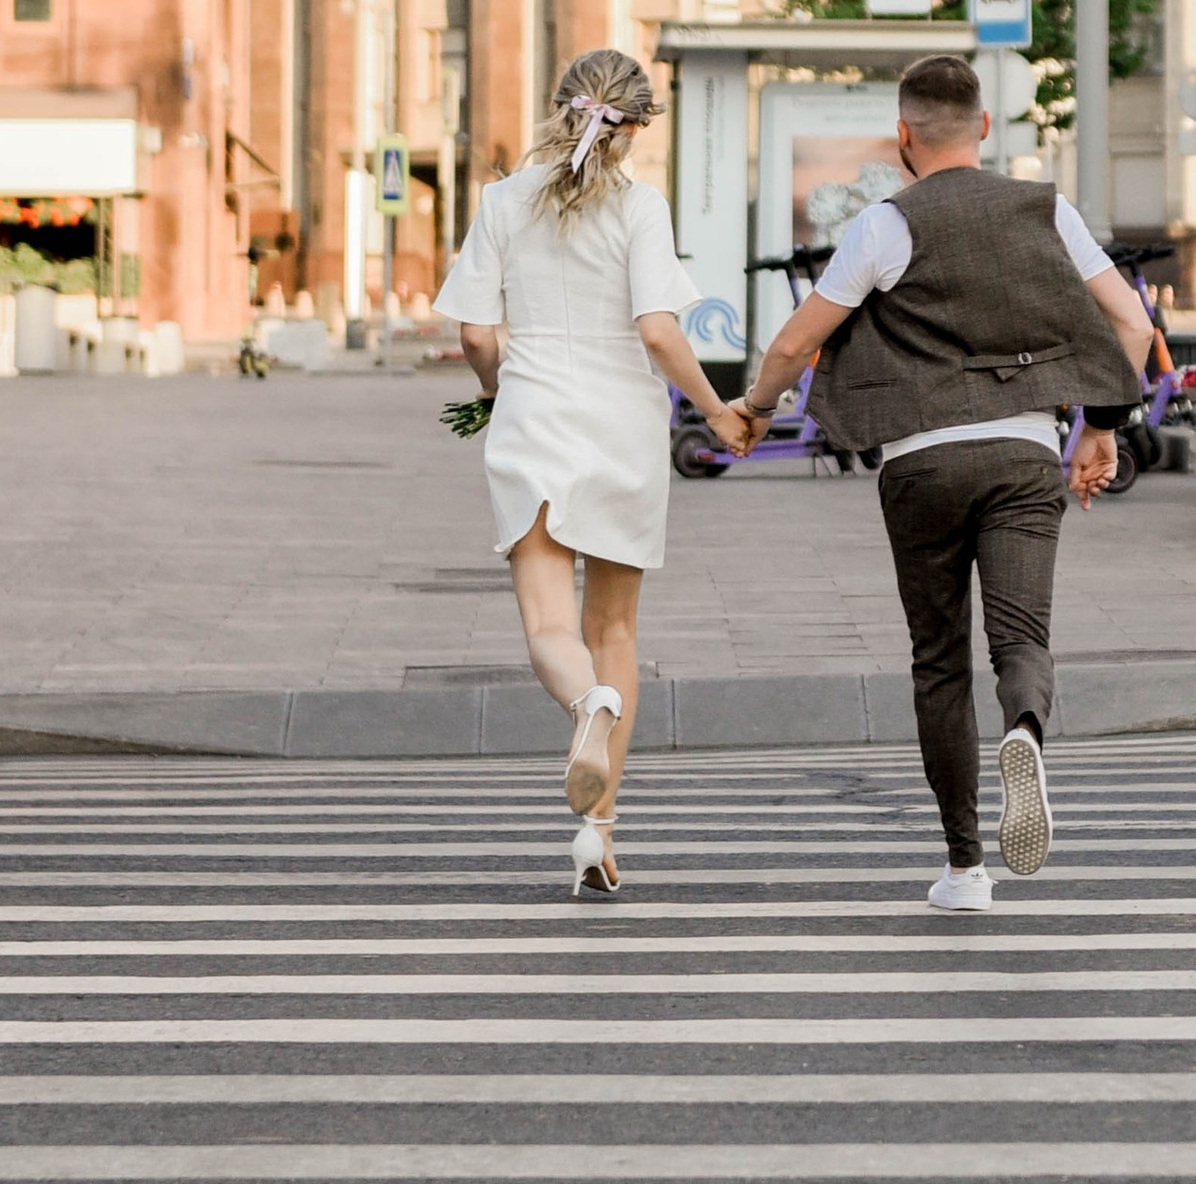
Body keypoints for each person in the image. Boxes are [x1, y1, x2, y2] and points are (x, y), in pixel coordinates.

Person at [736, 52, 1153, 911]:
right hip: (1025, 454)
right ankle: (1026, 731)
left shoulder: (885, 224)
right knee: (1020, 639)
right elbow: (1132, 321)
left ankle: (965, 867)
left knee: (938, 660)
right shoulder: (1047, 207)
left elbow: (793, 344)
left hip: (920, 462)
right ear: (986, 128)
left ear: (903, 136)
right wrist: (1099, 429)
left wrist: (753, 409)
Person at [435, 47, 750, 892]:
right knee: (614, 633)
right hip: (624, 432)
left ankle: (585, 707)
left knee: (550, 628)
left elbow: (472, 334)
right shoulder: (641, 207)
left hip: (534, 421)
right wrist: (718, 411)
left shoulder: (502, 202)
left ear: (558, 107)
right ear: (638, 126)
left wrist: (496, 389)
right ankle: (597, 832)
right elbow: (657, 329)